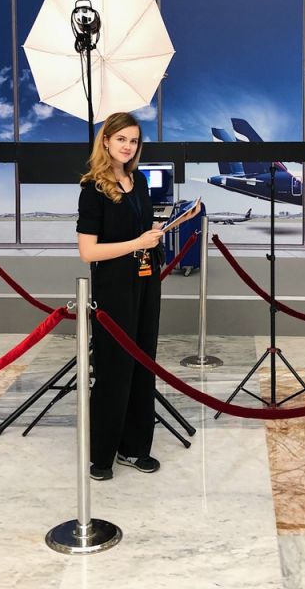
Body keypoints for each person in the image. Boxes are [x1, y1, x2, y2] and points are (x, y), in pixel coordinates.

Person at [75, 112, 188, 481]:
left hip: (146, 280)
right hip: (114, 288)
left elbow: (137, 228)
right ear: (106, 141)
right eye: (121, 139)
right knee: (113, 370)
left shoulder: (137, 181)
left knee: (142, 364)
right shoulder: (92, 189)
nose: (128, 146)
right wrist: (137, 242)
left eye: (134, 140)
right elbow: (88, 252)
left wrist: (153, 232)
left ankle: (135, 447)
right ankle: (102, 455)